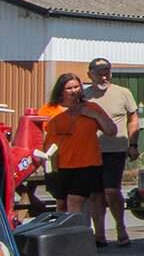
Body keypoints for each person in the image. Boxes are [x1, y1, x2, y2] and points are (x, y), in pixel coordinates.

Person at [42, 72, 120, 231]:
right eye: (69, 88)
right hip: (60, 165)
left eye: (76, 87)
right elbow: (44, 138)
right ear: (61, 90)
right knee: (61, 203)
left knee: (76, 200)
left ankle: (79, 236)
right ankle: (63, 235)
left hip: (87, 163)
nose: (74, 91)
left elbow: (111, 131)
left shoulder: (91, 107)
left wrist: (95, 115)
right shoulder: (50, 110)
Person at [81, 57, 140, 247]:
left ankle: (120, 227)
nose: (104, 77)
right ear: (90, 74)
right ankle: (99, 234)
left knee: (112, 191)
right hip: (90, 151)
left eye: (106, 72)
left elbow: (133, 119)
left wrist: (133, 144)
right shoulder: (84, 95)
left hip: (115, 150)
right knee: (95, 194)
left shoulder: (123, 93)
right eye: (99, 73)